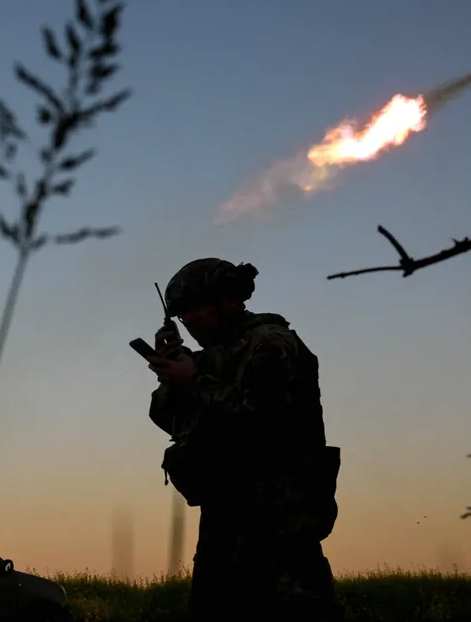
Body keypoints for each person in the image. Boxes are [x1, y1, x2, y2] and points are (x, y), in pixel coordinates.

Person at [146, 257, 342, 621]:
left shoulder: (272, 344)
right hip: (225, 526)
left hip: (278, 530)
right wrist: (170, 377)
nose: (190, 320)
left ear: (229, 300)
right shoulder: (212, 359)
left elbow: (266, 420)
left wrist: (195, 382)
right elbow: (172, 421)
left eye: (196, 308)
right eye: (183, 314)